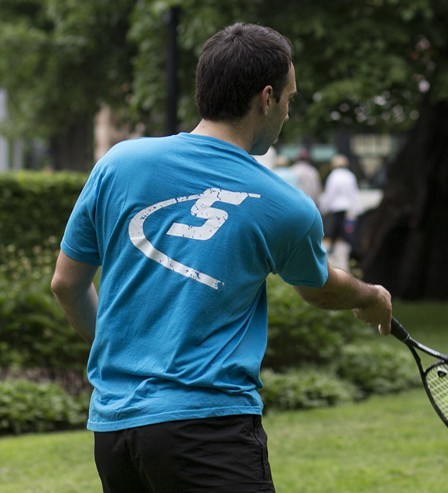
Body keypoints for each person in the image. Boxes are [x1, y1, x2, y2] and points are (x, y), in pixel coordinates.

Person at [50, 22, 391, 493]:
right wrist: (371, 296)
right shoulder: (283, 204)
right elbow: (321, 288)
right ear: (266, 98)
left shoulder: (117, 163)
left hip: (114, 432)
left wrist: (117, 352)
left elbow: (66, 284)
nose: (287, 114)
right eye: (289, 101)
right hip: (208, 431)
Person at [319, 153, 360, 269]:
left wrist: (324, 208)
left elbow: (329, 194)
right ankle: (343, 266)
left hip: (335, 209)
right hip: (347, 210)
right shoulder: (350, 176)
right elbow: (354, 194)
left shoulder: (334, 176)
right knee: (342, 238)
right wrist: (356, 210)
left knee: (328, 236)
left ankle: (325, 265)